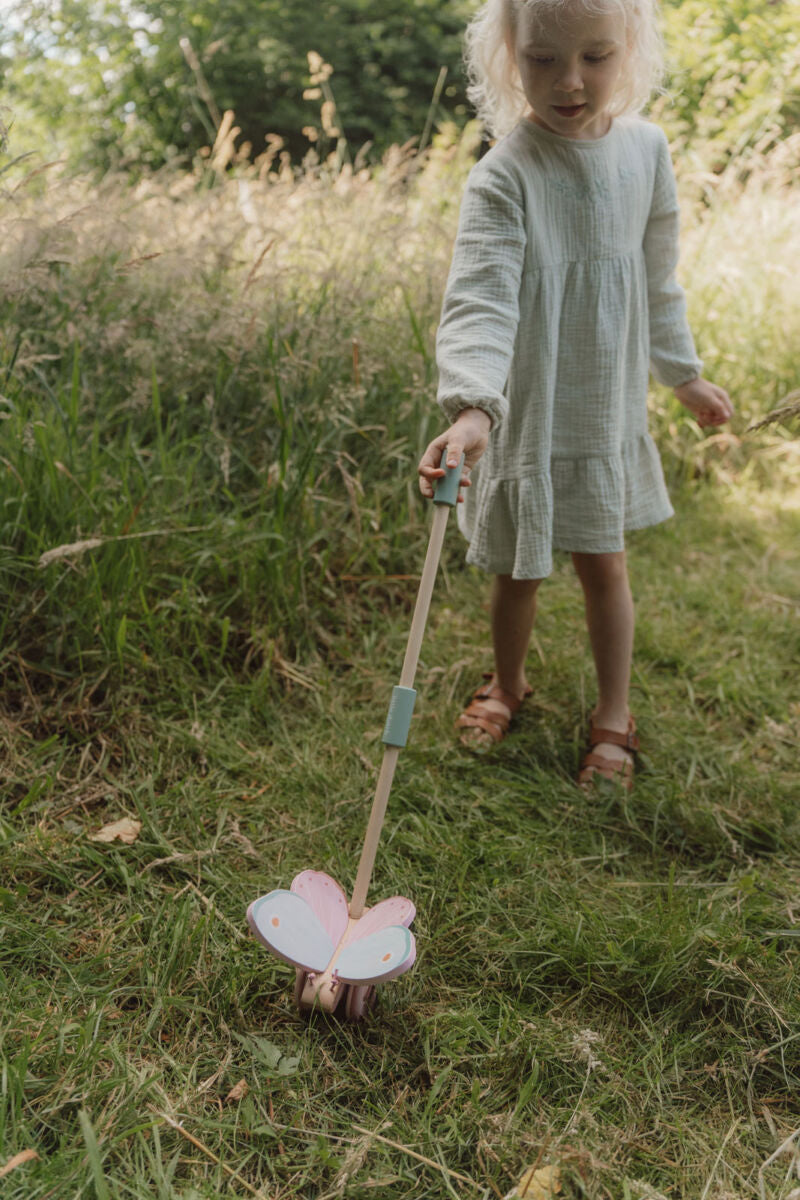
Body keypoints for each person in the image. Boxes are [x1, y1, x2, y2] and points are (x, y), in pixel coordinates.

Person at [417, 0, 733, 789]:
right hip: (525, 408)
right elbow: (481, 299)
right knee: (518, 570)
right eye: (542, 60)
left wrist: (682, 373)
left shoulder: (647, 151)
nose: (569, 81)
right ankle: (509, 682)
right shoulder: (505, 172)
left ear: (629, 49)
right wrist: (471, 407)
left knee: (605, 563)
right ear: (507, 57)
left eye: (594, 57)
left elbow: (659, 280)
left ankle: (614, 713)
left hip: (603, 404)